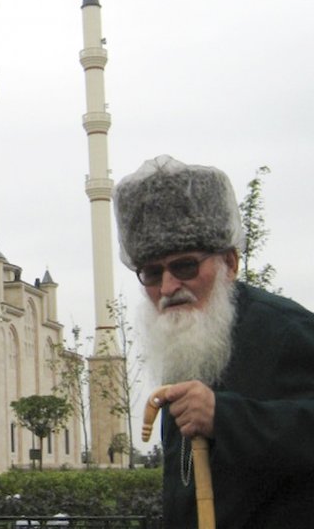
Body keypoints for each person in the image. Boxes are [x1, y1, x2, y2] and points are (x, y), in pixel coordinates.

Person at [113, 155, 314, 527]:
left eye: (185, 266)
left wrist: (225, 416)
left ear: (230, 263)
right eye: (153, 273)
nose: (169, 287)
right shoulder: (185, 347)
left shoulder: (287, 329)